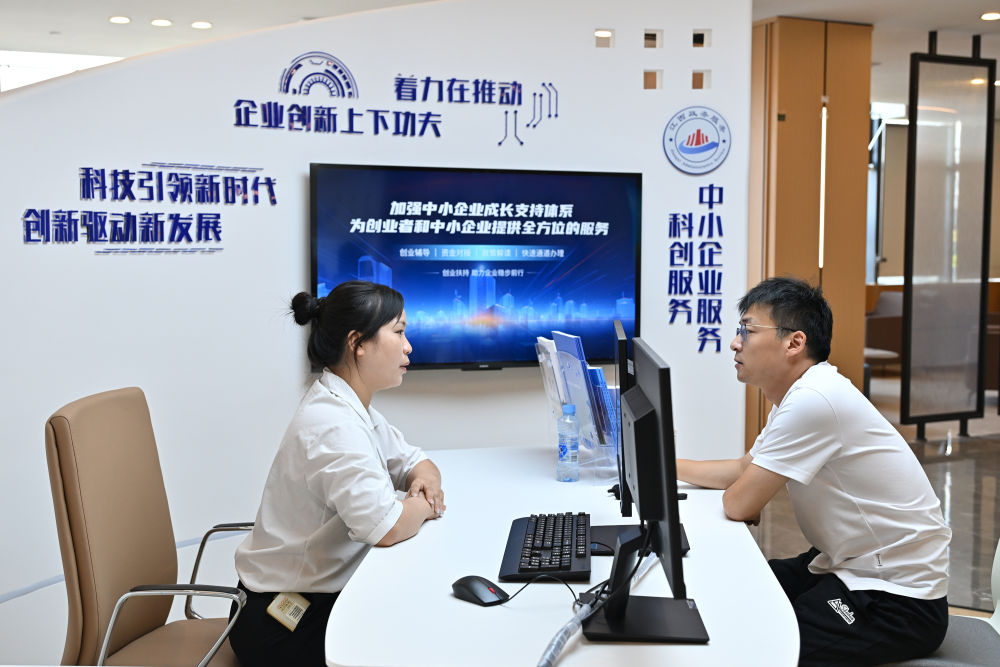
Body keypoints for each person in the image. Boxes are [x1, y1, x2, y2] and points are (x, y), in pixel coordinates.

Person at [677, 277, 951, 665]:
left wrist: (748, 495)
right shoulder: (800, 395)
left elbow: (739, 503)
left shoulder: (814, 401)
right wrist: (662, 464)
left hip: (897, 597)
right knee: (732, 589)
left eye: (747, 331)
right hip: (844, 563)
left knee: (761, 642)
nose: (735, 343)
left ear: (794, 342)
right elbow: (742, 469)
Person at [230, 280, 444, 666]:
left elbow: (415, 462)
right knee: (417, 636)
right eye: (398, 332)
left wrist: (422, 485)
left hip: (313, 596)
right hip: (280, 622)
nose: (408, 346)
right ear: (357, 342)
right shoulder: (332, 424)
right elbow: (388, 528)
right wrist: (425, 505)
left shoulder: (349, 406)